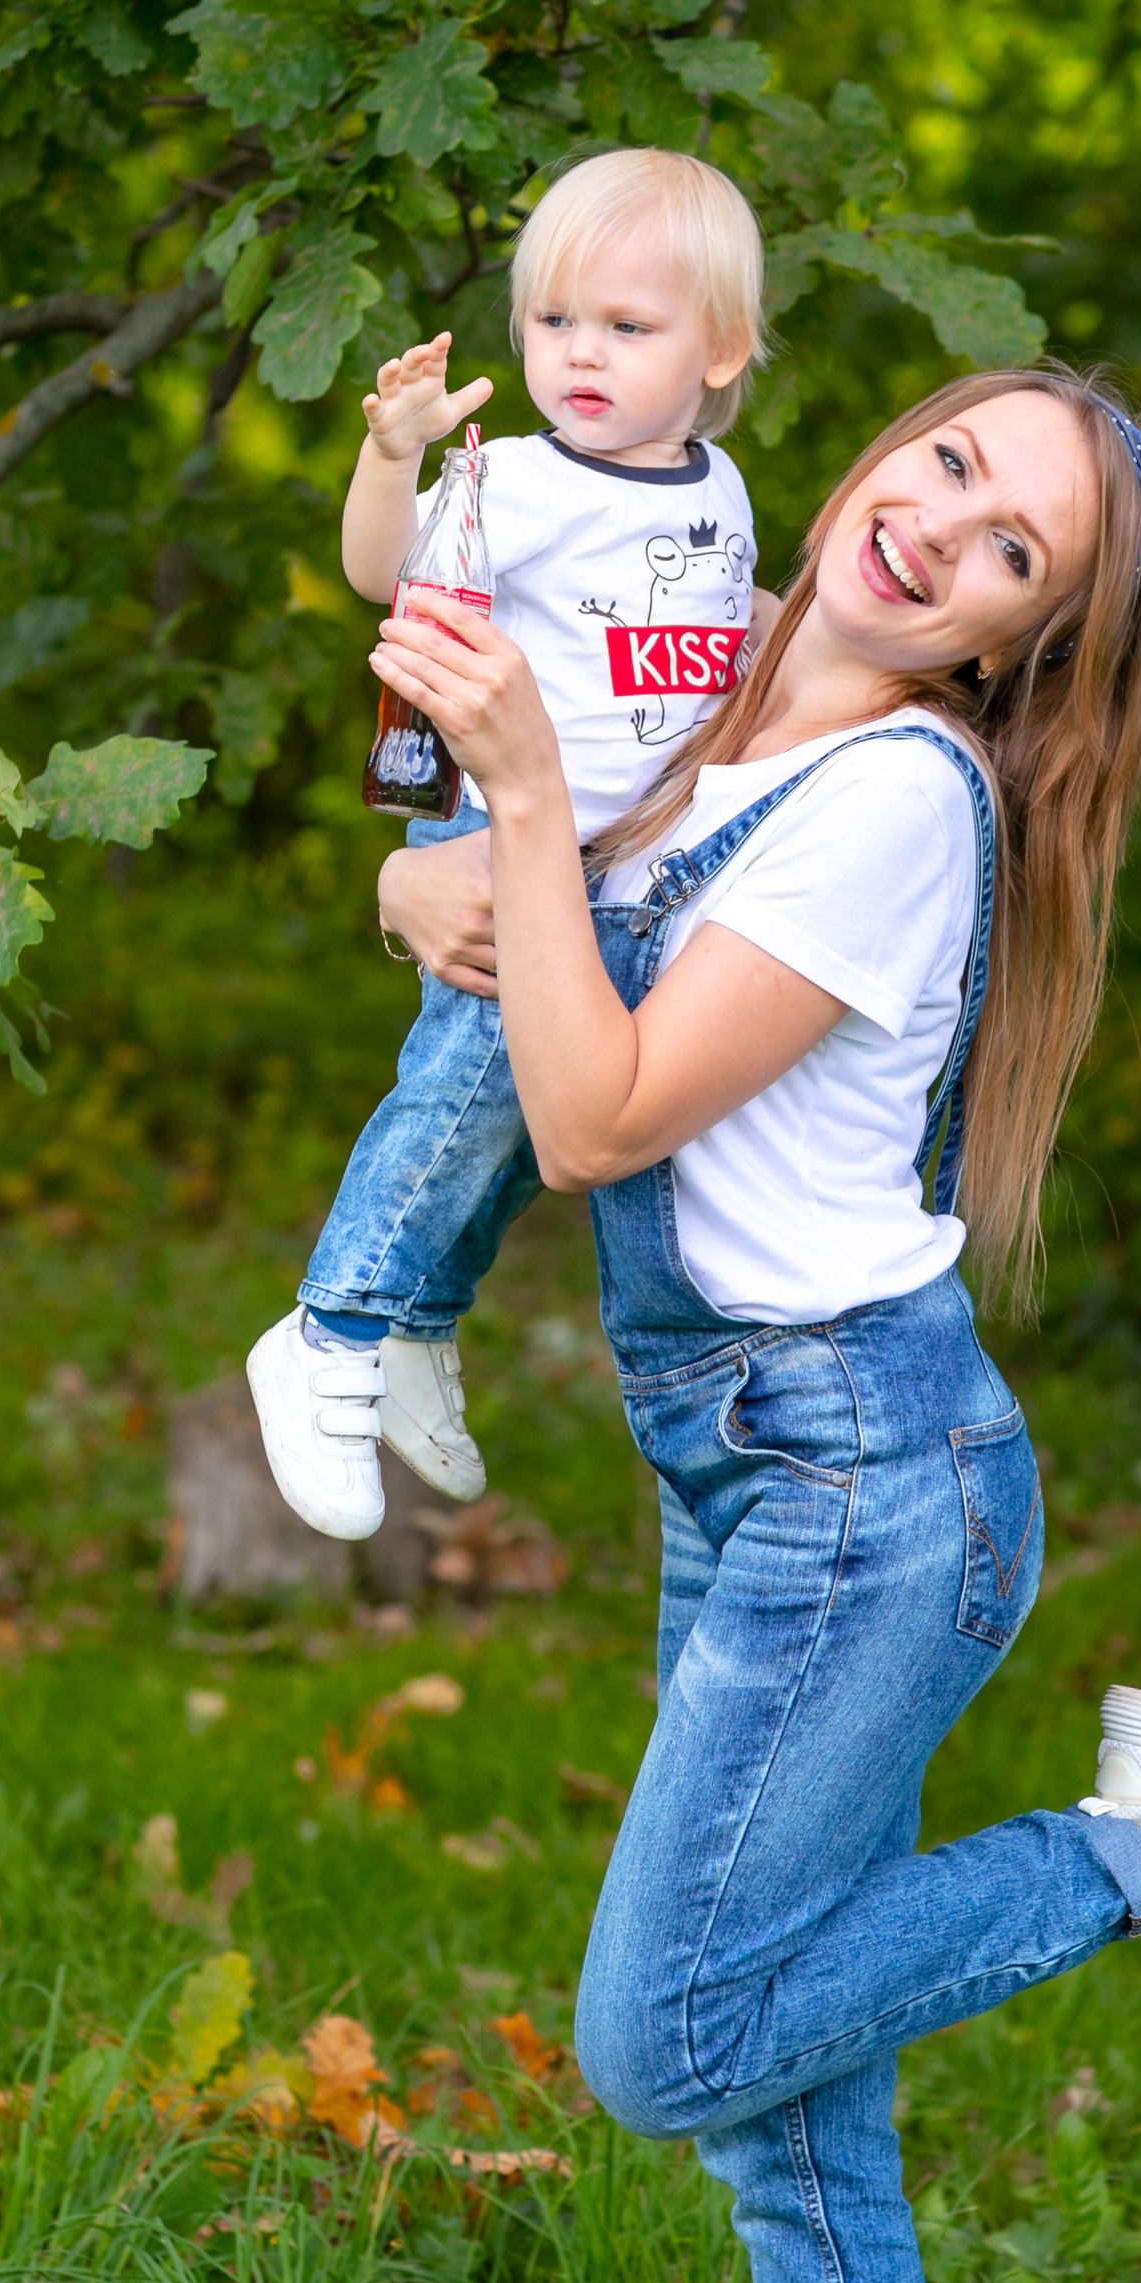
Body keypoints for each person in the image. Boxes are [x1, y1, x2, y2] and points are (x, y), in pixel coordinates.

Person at [368, 364, 1141, 2283]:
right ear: (861, 467)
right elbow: (464, 925)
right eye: (945, 465)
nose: (944, 528)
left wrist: (510, 814)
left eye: (1013, 546)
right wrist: (467, 855)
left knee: (669, 2040)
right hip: (743, 1474)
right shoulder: (710, 729)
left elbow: (595, 1101)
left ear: (1015, 651)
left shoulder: (896, 809)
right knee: (791, 2092)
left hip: (859, 1495)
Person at [250, 148, 775, 1541]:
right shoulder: (521, 483)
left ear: (721, 348)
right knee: (470, 1085)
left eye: (626, 326)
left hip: (638, 874)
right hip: (512, 851)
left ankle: (419, 1323)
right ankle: (335, 1328)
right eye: (553, 323)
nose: (580, 355)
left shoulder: (719, 493)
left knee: (532, 1131)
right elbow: (384, 572)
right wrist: (392, 450)